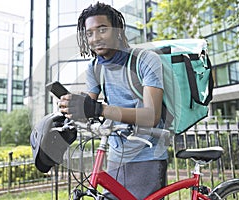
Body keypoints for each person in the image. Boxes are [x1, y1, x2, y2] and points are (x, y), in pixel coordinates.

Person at [58, 2, 168, 199]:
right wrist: (71, 108)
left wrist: (99, 109)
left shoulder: (146, 60)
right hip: (116, 155)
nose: (95, 38)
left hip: (147, 155)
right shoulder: (94, 68)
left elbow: (151, 116)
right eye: (89, 33)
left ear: (117, 31)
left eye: (102, 29)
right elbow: (89, 108)